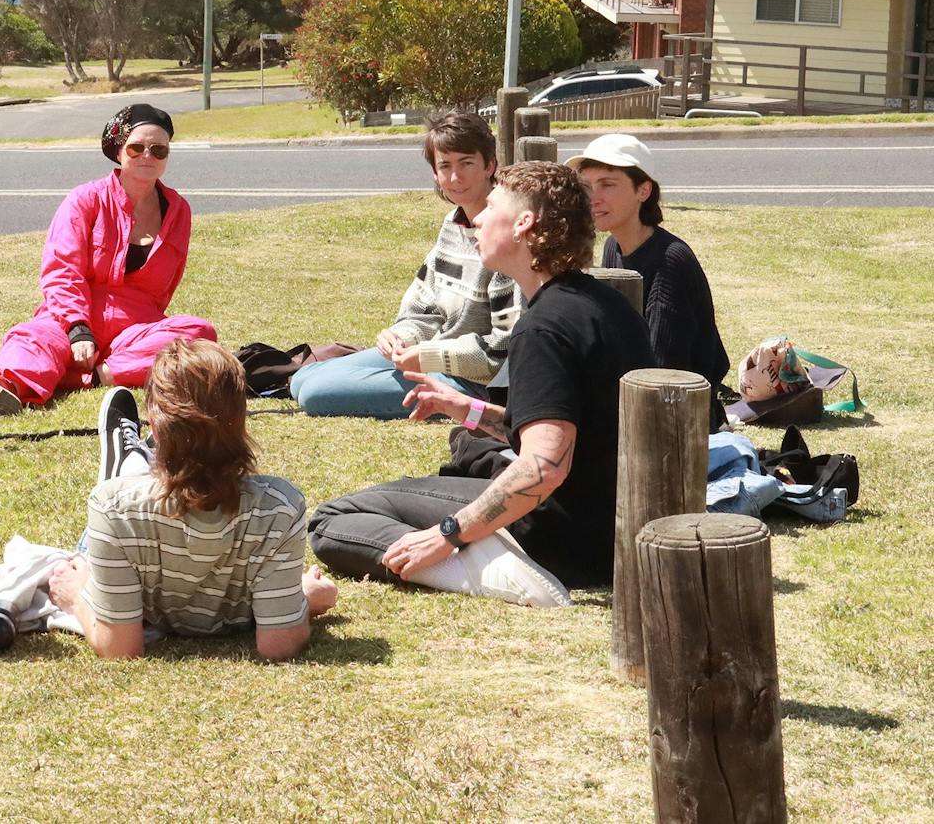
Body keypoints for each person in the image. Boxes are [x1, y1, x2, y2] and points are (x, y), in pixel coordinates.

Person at [307, 161, 657, 605]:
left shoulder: (543, 328)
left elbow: (545, 467)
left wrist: (448, 534)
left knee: (334, 519)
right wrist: (467, 409)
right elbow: (569, 431)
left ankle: (491, 569)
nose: (477, 219)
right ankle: (479, 548)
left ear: (524, 223)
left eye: (491, 207)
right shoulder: (600, 302)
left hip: (560, 540)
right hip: (610, 526)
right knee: (412, 482)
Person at [44, 339, 338, 660]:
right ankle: (127, 465)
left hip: (129, 514)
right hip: (141, 514)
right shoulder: (280, 506)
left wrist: (78, 597)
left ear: (155, 427)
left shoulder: (113, 507)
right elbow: (279, 644)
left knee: (109, 507)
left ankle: (127, 462)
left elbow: (120, 648)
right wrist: (304, 600)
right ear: (242, 420)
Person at [0, 103, 216, 413]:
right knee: (33, 337)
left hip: (134, 330)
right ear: (119, 150)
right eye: (137, 147)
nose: (147, 156)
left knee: (199, 334)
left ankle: (93, 377)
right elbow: (61, 270)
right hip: (71, 319)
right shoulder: (85, 199)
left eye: (159, 150)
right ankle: (7, 389)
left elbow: (166, 287)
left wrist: (137, 337)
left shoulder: (179, 211)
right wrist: (78, 329)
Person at [292, 110, 519, 418]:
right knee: (302, 377)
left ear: (489, 165)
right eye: (445, 166)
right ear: (435, 174)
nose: (455, 177)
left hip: (470, 382)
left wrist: (426, 356)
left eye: (466, 163)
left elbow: (501, 351)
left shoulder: (506, 236)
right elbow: (424, 306)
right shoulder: (452, 226)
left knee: (316, 393)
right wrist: (401, 337)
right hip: (430, 355)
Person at [568, 132, 730, 429]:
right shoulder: (612, 246)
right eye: (587, 186)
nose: (594, 198)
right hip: (632, 399)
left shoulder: (670, 260)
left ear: (643, 190)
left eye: (607, 184)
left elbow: (664, 366)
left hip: (675, 418)